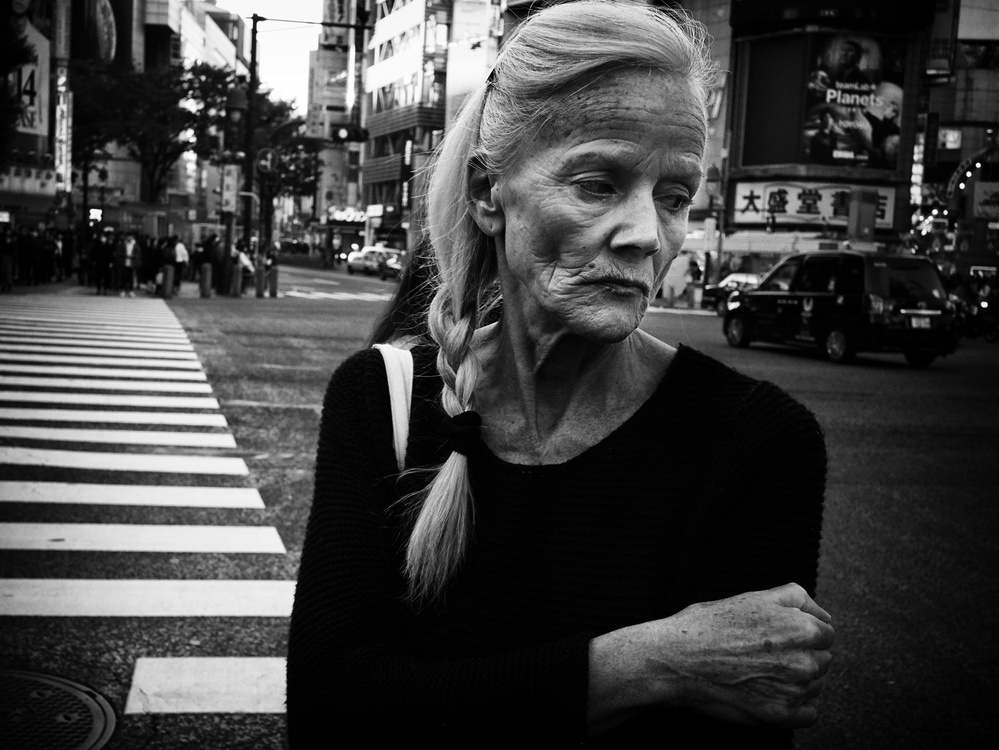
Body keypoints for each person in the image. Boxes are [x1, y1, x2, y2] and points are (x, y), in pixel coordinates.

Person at [287, 1, 834, 746]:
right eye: (598, 184)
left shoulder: (759, 444)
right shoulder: (378, 400)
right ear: (488, 194)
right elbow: (335, 711)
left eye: (674, 198)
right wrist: (649, 663)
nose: (648, 235)